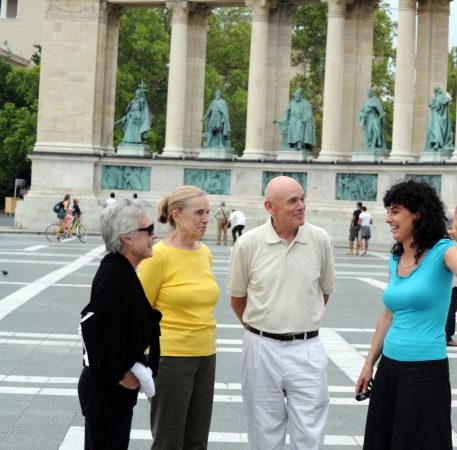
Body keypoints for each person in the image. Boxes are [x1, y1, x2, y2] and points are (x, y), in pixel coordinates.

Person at [355, 180, 457, 450]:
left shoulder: (443, 251)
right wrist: (370, 363)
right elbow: (387, 316)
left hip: (425, 372)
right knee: (385, 440)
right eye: (388, 211)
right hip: (390, 368)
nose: (388, 219)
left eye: (395, 211)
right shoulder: (395, 258)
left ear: (416, 213)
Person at [227, 176, 335, 450]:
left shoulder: (320, 240)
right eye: (292, 201)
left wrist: (298, 318)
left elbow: (324, 291)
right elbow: (237, 298)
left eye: (302, 199)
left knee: (310, 435)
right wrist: (262, 326)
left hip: (307, 347)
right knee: (263, 433)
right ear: (269, 206)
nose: (301, 206)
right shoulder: (248, 243)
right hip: (261, 347)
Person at [137, 186, 220, 450]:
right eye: (198, 212)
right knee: (169, 440)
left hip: (205, 354)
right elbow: (137, 311)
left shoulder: (204, 252)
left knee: (197, 440)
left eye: (207, 212)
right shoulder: (157, 256)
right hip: (169, 358)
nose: (206, 218)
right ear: (177, 215)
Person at [77, 199, 161, 450]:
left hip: (106, 390)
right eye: (148, 230)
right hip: (107, 390)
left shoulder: (120, 269)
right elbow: (90, 326)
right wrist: (121, 376)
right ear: (127, 238)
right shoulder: (116, 275)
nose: (154, 235)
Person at [425, 87, 454, 152]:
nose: (435, 93)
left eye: (435, 91)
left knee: (436, 130)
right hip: (438, 118)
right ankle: (435, 144)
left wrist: (432, 104)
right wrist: (432, 104)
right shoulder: (442, 98)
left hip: (437, 118)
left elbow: (437, 107)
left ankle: (437, 144)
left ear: (437, 91)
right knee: (435, 130)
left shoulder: (438, 98)